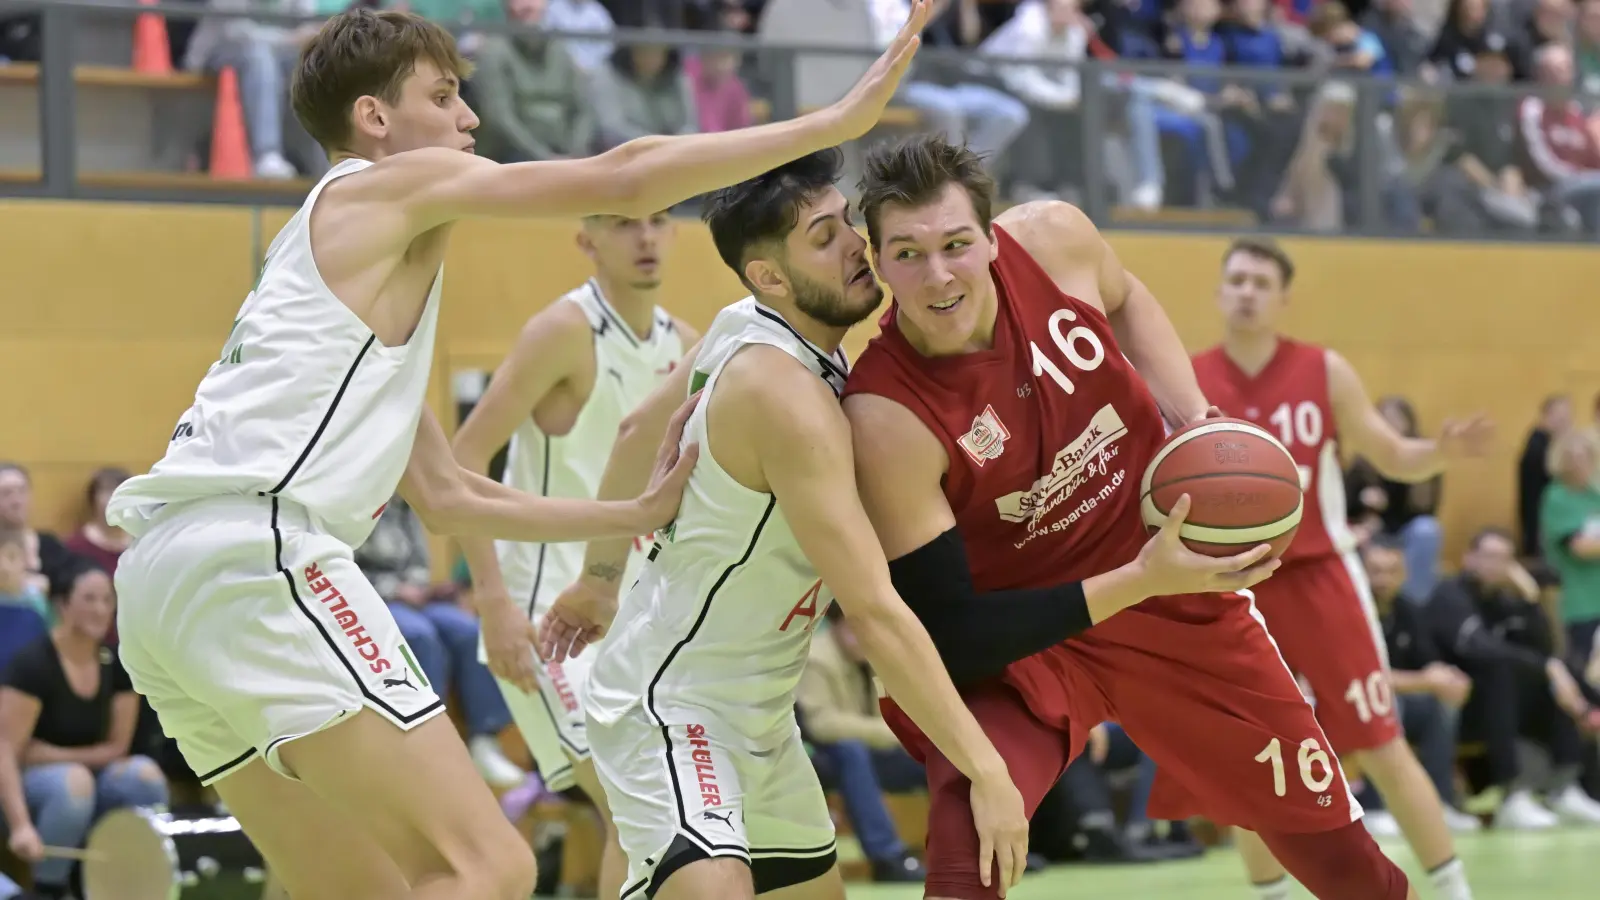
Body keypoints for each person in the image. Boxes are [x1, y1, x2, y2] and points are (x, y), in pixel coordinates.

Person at [100, 3, 938, 897]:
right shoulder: (374, 188)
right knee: (488, 865)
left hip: (160, 583)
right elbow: (625, 174)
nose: (470, 118)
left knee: (361, 886)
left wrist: (631, 515)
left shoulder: (337, 290)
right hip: (252, 556)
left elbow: (448, 496)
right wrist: (832, 125)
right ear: (376, 119)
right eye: (446, 94)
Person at [841, 135, 1415, 900]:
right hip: (1023, 639)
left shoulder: (1055, 241)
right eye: (908, 254)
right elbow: (956, 633)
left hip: (1173, 598)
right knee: (968, 852)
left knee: (1343, 861)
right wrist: (1137, 579)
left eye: (956, 244)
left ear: (991, 236)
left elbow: (1129, 297)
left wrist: (1193, 421)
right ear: (877, 263)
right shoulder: (886, 416)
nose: (938, 274)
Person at [537, 149, 1032, 900]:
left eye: (846, 225)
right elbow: (871, 609)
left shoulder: (746, 324)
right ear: (771, 276)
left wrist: (600, 582)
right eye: (824, 238)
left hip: (762, 718)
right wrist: (986, 767)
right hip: (675, 708)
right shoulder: (786, 398)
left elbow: (641, 429)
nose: (855, 247)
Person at [1191, 236, 1491, 900]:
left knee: (1380, 739)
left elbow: (1391, 454)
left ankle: (1452, 889)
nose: (1246, 291)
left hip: (1320, 575)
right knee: (1247, 753)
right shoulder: (1185, 379)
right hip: (1231, 585)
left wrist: (1436, 452)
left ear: (1282, 299)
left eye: (1260, 282)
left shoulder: (1323, 371)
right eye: (1236, 279)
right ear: (1218, 291)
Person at [451, 209, 698, 900]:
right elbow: (464, 459)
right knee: (634, 809)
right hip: (543, 612)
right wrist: (491, 600)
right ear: (586, 240)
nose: (645, 238)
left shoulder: (687, 345)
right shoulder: (564, 330)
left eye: (657, 221)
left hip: (631, 609)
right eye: (623, 223)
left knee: (653, 817)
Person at [0, 562, 169, 899]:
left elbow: (117, 748)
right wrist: (19, 826)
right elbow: (6, 751)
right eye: (89, 598)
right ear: (63, 605)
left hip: (87, 777)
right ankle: (50, 889)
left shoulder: (117, 663)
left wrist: (49, 754)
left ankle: (134, 881)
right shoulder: (33, 664)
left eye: (107, 599)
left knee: (144, 775)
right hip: (26, 790)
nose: (101, 609)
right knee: (73, 782)